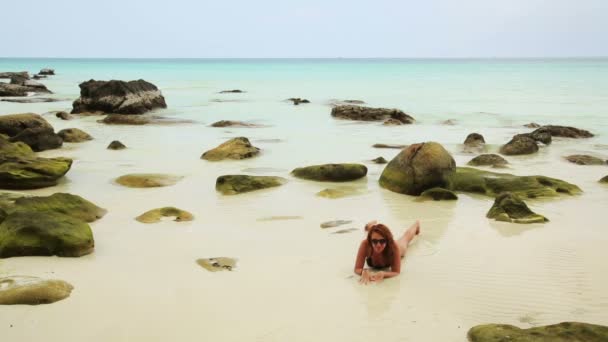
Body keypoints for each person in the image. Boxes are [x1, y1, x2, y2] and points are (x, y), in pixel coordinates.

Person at [354, 220, 420, 284]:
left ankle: (416, 224)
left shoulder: (394, 246)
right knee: (375, 232)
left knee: (405, 239)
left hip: (398, 249)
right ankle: (370, 225)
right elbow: (357, 268)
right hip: (375, 237)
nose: (378, 245)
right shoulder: (365, 244)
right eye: (374, 241)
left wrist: (383, 274)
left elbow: (396, 272)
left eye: (382, 241)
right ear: (370, 241)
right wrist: (364, 272)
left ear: (388, 240)